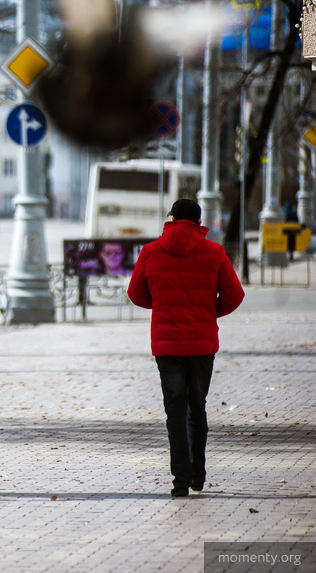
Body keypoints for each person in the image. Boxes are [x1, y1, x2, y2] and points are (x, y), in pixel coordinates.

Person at [127, 198, 244, 498]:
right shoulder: (215, 252)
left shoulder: (151, 252)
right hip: (202, 344)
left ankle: (180, 480)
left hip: (167, 347)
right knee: (197, 407)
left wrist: (164, 307)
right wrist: (208, 312)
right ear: (198, 222)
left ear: (172, 218)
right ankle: (198, 475)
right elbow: (235, 295)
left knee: (174, 411)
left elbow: (135, 292)